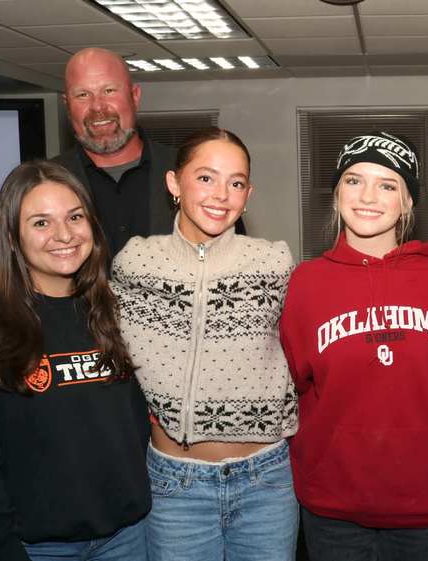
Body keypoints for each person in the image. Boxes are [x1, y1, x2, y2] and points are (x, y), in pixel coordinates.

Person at [0, 161, 150, 561]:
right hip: (29, 548)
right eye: (41, 222)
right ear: (12, 236)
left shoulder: (113, 310)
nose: (64, 234)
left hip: (127, 540)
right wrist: (0, 548)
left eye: (74, 217)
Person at [110, 127, 297, 561]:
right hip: (175, 485)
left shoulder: (274, 262)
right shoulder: (135, 262)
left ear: (248, 196)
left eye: (236, 183)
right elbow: (103, 347)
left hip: (265, 483)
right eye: (206, 178)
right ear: (174, 183)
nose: (221, 195)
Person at [280, 132, 428, 561]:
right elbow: (291, 386)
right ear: (337, 192)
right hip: (332, 508)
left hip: (426, 505)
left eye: (387, 185)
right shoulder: (305, 283)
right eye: (354, 180)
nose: (368, 197)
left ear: (408, 202)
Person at [58, 47, 178, 257]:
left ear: (135, 96)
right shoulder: (41, 182)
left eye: (109, 91)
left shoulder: (187, 170)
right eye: (83, 95)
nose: (98, 107)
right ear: (67, 106)